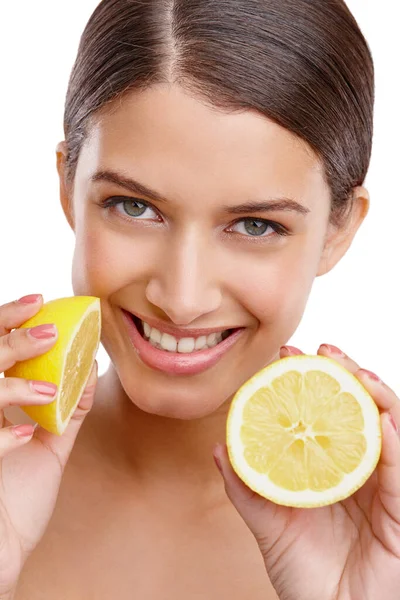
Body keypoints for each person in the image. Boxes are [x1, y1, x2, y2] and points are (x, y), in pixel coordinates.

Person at [1, 0, 399, 598]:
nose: (182, 300)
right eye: (134, 207)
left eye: (256, 225)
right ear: (67, 186)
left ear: (339, 230)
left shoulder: (377, 540)